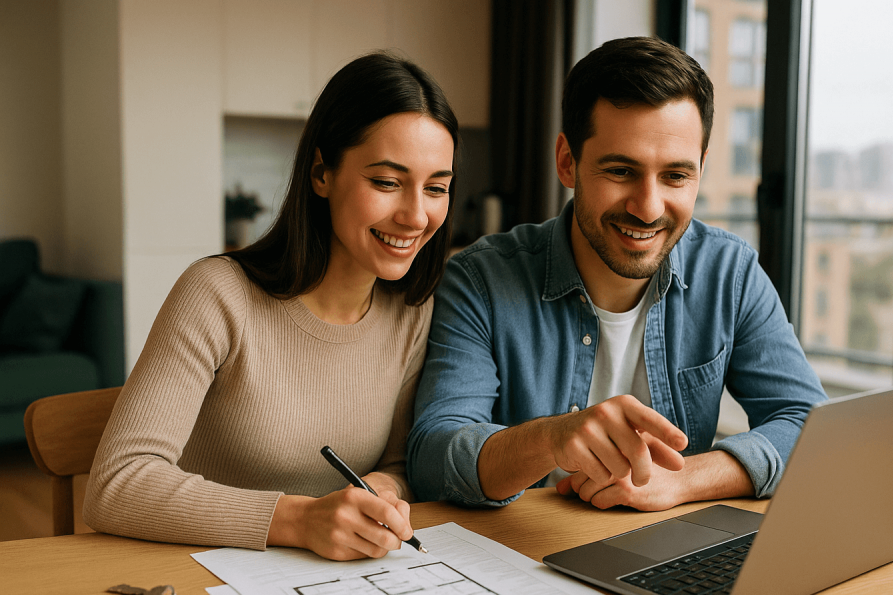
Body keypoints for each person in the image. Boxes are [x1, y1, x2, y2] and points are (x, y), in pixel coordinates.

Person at [407, 36, 827, 512]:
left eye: (675, 176)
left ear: (701, 170)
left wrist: (684, 480)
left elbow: (810, 425)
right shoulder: (479, 280)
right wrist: (552, 439)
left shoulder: (730, 272)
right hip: (523, 547)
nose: (648, 208)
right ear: (567, 162)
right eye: (621, 171)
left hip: (667, 542)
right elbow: (432, 458)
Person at [84, 52, 458, 560]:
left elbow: (398, 465)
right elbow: (117, 484)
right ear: (322, 173)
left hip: (330, 582)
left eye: (436, 188)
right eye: (387, 182)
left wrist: (381, 491)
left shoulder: (411, 312)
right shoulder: (217, 294)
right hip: (198, 573)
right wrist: (300, 520)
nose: (416, 216)